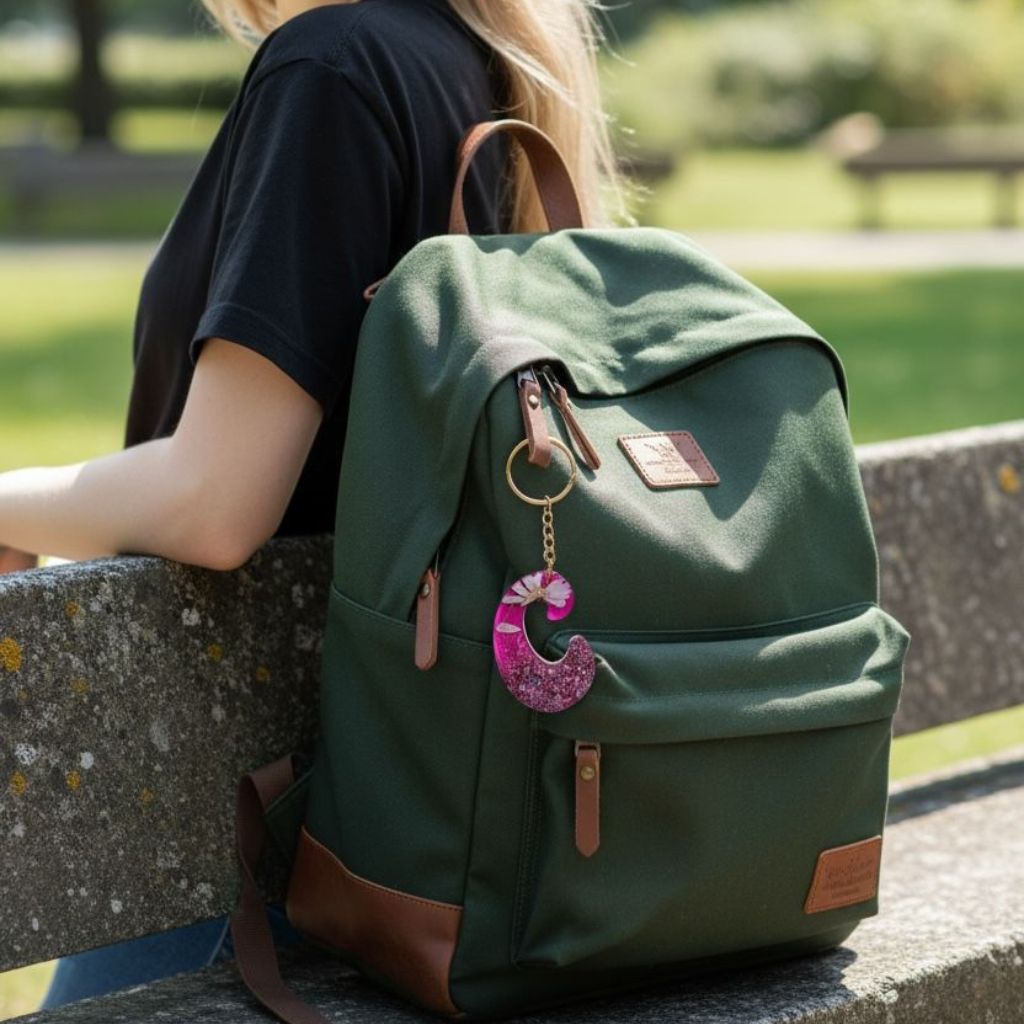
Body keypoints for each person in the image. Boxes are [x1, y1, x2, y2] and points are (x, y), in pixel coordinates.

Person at [0, 0, 623, 1008]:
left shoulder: (332, 68)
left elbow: (215, 499)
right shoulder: (478, 57)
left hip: (268, 837)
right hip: (429, 825)